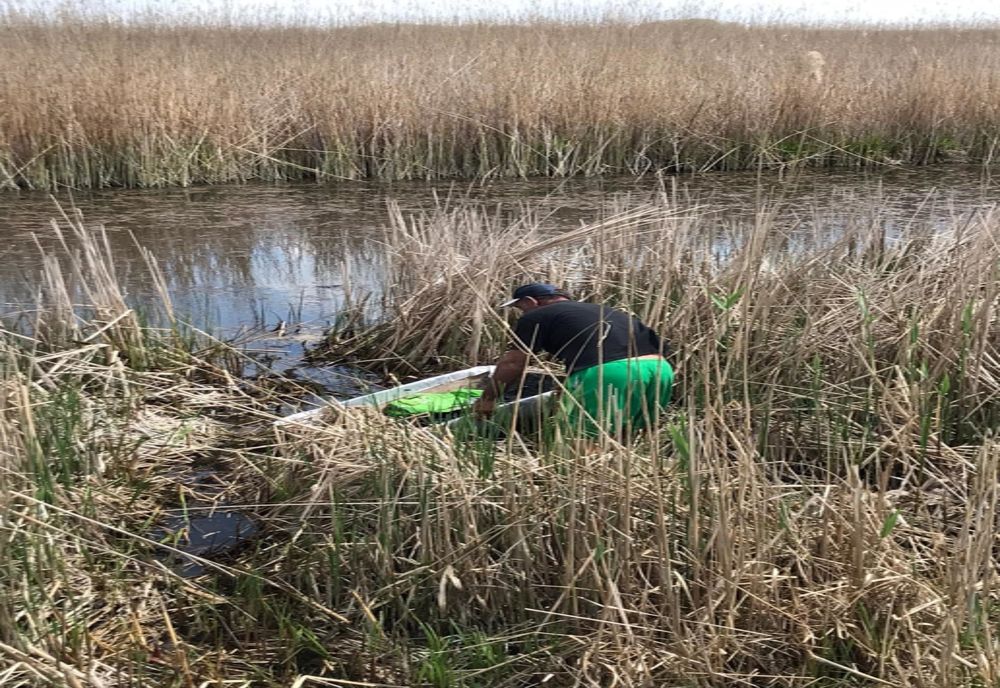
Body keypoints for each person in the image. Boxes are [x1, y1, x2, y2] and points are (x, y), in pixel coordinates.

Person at [474, 283, 673, 440]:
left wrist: (488, 398)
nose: (521, 313)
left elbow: (513, 363)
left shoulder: (535, 315)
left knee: (583, 443)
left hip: (612, 372)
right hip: (659, 369)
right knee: (630, 436)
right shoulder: (602, 310)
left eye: (519, 307)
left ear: (530, 301)